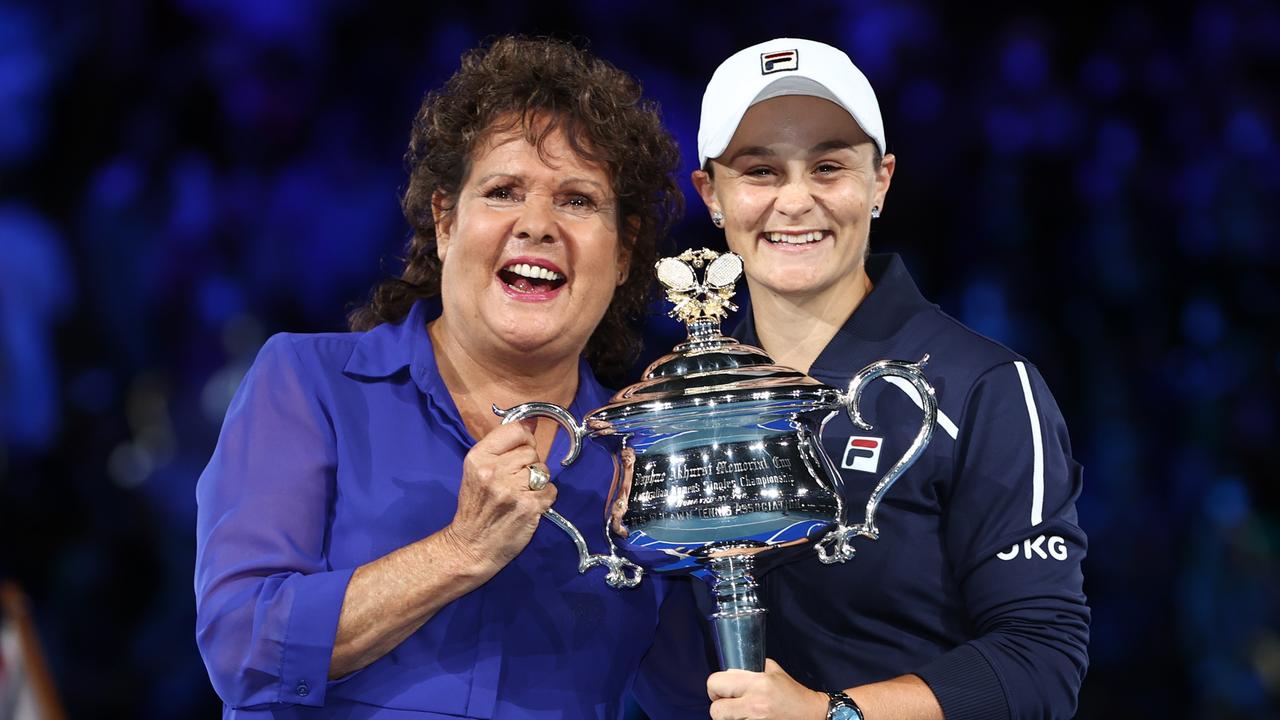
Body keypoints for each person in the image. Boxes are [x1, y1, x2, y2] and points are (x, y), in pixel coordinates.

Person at [194, 36, 709, 719]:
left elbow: (699, 701)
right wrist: (460, 550)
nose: (538, 225)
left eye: (579, 200)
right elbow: (241, 649)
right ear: (445, 222)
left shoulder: (639, 457)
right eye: (502, 191)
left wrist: (694, 554)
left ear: (623, 254)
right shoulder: (307, 383)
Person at [687, 38, 1090, 720]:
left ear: (880, 182)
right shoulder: (683, 400)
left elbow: (1041, 659)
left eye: (828, 167)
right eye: (759, 171)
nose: (795, 201)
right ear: (711, 195)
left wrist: (831, 714)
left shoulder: (983, 387)